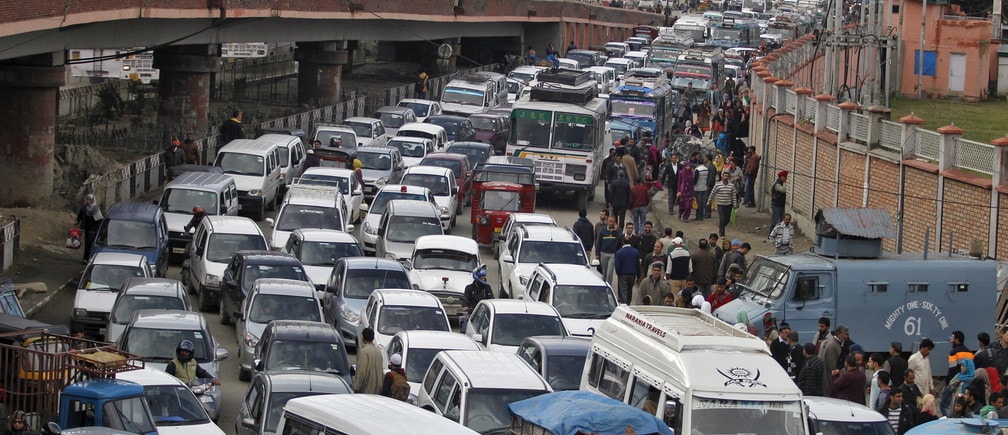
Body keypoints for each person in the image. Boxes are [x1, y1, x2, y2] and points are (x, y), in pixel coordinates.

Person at [353, 327, 384, 394]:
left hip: (367, 388)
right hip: (378, 389)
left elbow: (361, 371)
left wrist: (357, 387)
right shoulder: (378, 351)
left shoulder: (363, 351)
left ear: (363, 338)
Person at [75, 193, 103, 262]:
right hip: (87, 227)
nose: (88, 201)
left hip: (94, 228)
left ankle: (91, 257)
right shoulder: (84, 207)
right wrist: (77, 221)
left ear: (93, 200)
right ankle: (85, 258)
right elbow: (80, 215)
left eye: (89, 200)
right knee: (87, 243)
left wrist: (99, 229)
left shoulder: (95, 209)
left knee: (90, 242)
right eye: (87, 199)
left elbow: (99, 219)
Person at [709, 171, 738, 237]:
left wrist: (735, 204)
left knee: (727, 219)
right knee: (722, 219)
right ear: (722, 176)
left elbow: (733, 195)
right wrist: (709, 202)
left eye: (727, 176)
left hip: (728, 205)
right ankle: (722, 233)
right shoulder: (718, 185)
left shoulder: (731, 185)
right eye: (724, 176)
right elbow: (712, 193)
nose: (726, 177)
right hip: (720, 205)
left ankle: (721, 226)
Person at [613, 238, 640, 304]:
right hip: (632, 274)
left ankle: (624, 303)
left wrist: (618, 272)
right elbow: (638, 264)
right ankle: (628, 302)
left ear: (623, 242)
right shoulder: (635, 251)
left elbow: (617, 265)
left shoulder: (619, 252)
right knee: (630, 289)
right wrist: (638, 275)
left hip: (623, 274)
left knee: (623, 290)